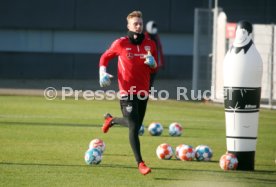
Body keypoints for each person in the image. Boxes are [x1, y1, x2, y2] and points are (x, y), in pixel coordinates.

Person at [98, 10, 157, 175]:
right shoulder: (121, 43)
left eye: (140, 23)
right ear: (129, 25)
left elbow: (155, 67)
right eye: (135, 24)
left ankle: (111, 120)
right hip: (126, 91)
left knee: (136, 126)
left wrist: (152, 63)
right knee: (132, 126)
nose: (138, 26)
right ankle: (140, 163)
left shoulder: (150, 44)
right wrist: (102, 72)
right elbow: (104, 57)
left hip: (143, 91)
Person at [144, 20, 165, 89]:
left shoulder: (156, 37)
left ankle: (148, 93)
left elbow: (160, 50)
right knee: (146, 79)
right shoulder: (145, 37)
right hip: (147, 63)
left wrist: (162, 62)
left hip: (155, 63)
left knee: (151, 80)